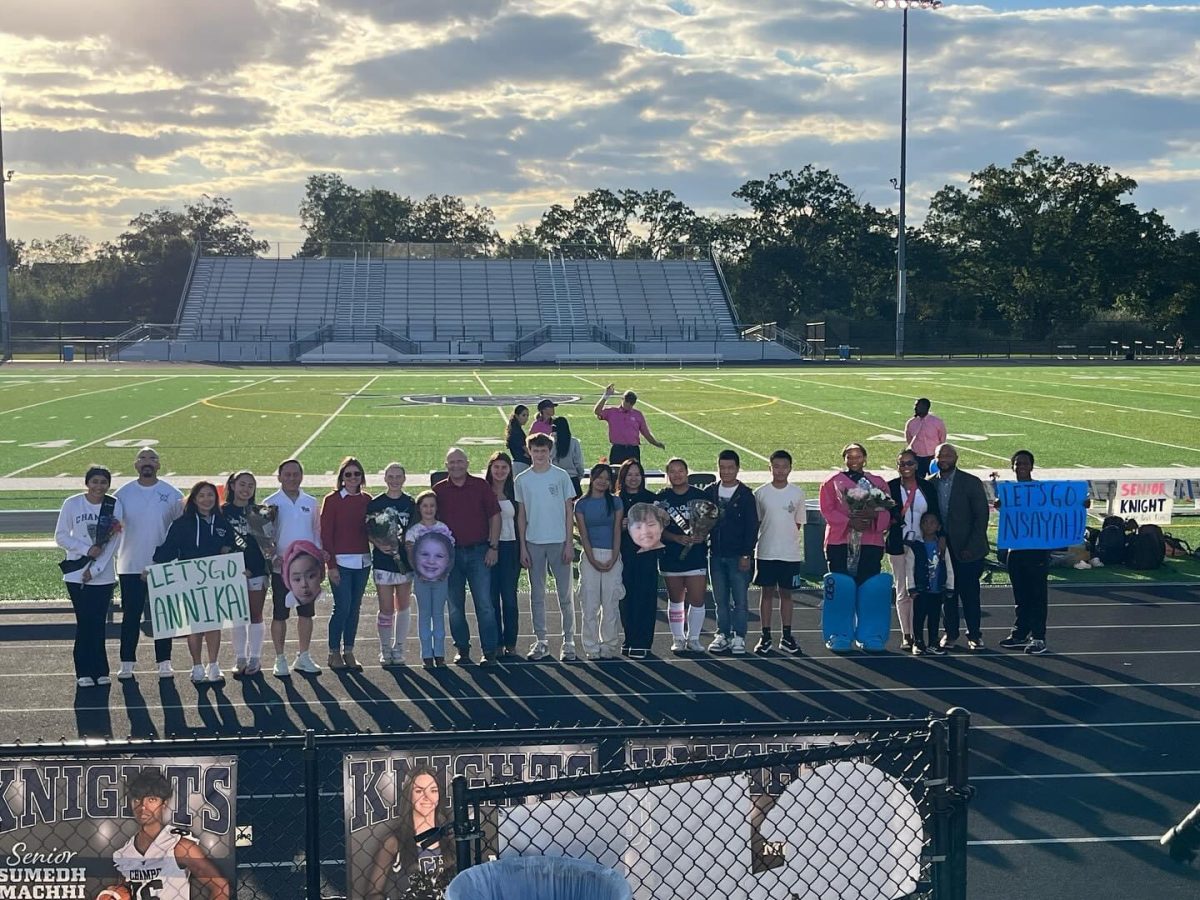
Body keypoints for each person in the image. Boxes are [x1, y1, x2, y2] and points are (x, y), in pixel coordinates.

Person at [153, 481, 236, 685]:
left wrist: (231, 551)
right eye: (202, 496)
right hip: (189, 579)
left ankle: (214, 664)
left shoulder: (223, 523)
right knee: (194, 626)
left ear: (216, 499)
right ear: (194, 499)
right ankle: (197, 665)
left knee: (215, 624)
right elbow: (169, 547)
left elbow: (235, 543)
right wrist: (154, 566)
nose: (206, 499)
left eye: (210, 495)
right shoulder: (182, 523)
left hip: (215, 580)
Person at [114, 446, 182, 680]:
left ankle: (164, 661)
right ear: (135, 465)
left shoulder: (172, 493)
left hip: (161, 566)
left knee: (163, 616)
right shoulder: (122, 494)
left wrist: (167, 558)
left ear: (159, 465)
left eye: (152, 459)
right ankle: (127, 662)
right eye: (143, 458)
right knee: (130, 616)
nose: (147, 462)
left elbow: (180, 528)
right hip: (130, 564)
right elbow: (112, 528)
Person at [109, 769, 230, 900]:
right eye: (137, 799)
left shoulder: (179, 846)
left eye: (151, 799)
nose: (143, 807)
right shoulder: (124, 853)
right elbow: (124, 891)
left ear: (164, 804)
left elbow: (221, 886)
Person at [55, 466, 124, 687]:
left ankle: (101, 669)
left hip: (103, 575)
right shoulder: (72, 503)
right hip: (76, 574)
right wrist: (86, 550)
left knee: (98, 623)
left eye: (103, 482)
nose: (98, 486)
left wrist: (95, 569)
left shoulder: (113, 504)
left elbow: (114, 542)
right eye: (94, 481)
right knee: (85, 622)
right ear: (87, 483)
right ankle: (83, 670)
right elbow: (61, 536)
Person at [433, 448, 501, 666]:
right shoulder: (439, 490)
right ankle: (462, 648)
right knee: (454, 606)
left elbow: (495, 516)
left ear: (467, 463)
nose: (456, 466)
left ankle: (489, 651)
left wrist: (493, 546)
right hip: (450, 557)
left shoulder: (480, 486)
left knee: (485, 604)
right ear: (446, 465)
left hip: (479, 552)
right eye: (452, 462)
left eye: (460, 461)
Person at [516, 433, 578, 662]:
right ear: (529, 451)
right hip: (533, 543)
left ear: (550, 451)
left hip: (559, 541)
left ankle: (569, 641)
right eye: (536, 450)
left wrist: (569, 543)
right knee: (537, 594)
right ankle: (541, 640)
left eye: (544, 451)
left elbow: (569, 511)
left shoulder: (561, 477)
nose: (540, 455)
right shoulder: (522, 480)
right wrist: (523, 547)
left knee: (565, 595)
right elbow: (521, 515)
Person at [264, 458, 324, 677]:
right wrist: (272, 557)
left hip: (306, 571)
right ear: (279, 477)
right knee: (280, 614)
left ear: (301, 476)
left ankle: (304, 655)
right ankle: (280, 658)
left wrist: (318, 557)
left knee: (306, 613)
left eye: (295, 474)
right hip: (282, 570)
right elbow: (264, 537)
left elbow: (317, 533)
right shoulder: (270, 502)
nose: (291, 478)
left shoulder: (310, 501)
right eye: (287, 474)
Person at [928, 442, 990, 651]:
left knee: (970, 594)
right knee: (948, 595)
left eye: (947, 455)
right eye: (939, 456)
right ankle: (951, 632)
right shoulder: (930, 483)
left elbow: (981, 517)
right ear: (935, 459)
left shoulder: (971, 482)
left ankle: (974, 634)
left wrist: (971, 546)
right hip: (942, 549)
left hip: (969, 549)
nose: (943, 459)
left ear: (956, 458)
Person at [366, 766, 455, 899]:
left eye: (433, 790)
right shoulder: (394, 842)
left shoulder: (452, 837)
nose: (427, 797)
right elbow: (372, 894)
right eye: (419, 791)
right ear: (409, 795)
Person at [997, 449, 1054, 655]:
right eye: (1017, 464)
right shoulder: (1009, 492)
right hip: (1015, 549)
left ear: (1032, 466)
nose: (1021, 467)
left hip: (1037, 549)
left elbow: (1059, 507)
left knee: (1037, 594)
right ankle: (1020, 633)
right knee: (1020, 595)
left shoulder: (1041, 490)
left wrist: (1078, 504)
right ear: (1012, 467)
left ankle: (1038, 637)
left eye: (1024, 463)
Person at [752, 450, 806, 656]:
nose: (780, 470)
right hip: (766, 551)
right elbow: (757, 521)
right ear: (770, 468)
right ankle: (765, 635)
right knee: (766, 594)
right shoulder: (761, 493)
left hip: (790, 553)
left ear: (790, 468)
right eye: (776, 466)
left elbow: (798, 522)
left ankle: (786, 635)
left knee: (786, 594)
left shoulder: (797, 493)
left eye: (784, 466)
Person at [321, 456, 373, 671]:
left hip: (363, 562)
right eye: (348, 474)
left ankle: (349, 650)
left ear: (362, 476)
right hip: (341, 563)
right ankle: (333, 651)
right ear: (342, 478)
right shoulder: (332, 500)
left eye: (356, 474)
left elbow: (373, 530)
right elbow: (326, 534)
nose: (353, 478)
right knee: (342, 607)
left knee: (355, 608)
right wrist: (331, 565)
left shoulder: (367, 500)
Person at [704, 450, 758, 655]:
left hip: (738, 556)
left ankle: (739, 636)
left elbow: (752, 527)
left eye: (730, 468)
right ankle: (722, 634)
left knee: (740, 600)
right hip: (715, 554)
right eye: (722, 467)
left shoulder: (745, 495)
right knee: (720, 599)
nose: (726, 471)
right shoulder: (710, 491)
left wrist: (746, 554)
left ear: (737, 468)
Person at [886, 449, 940, 652]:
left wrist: (937, 538)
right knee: (902, 590)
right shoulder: (890, 487)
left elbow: (935, 513)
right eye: (902, 464)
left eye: (909, 463)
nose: (905, 467)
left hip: (923, 546)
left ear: (917, 465)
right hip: (899, 546)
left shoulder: (927, 487)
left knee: (924, 590)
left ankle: (923, 635)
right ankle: (906, 634)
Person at [656, 458, 708, 653]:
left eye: (680, 471)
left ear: (687, 472)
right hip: (671, 556)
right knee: (676, 599)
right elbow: (656, 529)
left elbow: (709, 522)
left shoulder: (699, 496)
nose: (677, 475)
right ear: (668, 475)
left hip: (696, 556)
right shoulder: (662, 498)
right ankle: (678, 638)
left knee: (697, 599)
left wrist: (701, 535)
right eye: (672, 471)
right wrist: (675, 538)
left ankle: (694, 638)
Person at [366, 463, 416, 666]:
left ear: (404, 479)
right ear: (385, 478)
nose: (394, 480)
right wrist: (379, 543)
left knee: (403, 605)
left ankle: (399, 647)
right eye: (391, 476)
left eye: (398, 476)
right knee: (386, 607)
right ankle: (385, 648)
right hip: (383, 561)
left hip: (405, 562)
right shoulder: (375, 503)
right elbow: (367, 529)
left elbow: (415, 529)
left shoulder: (411, 503)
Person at [820, 443, 891, 583]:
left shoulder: (877, 482)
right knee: (842, 586)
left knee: (867, 586)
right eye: (849, 457)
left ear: (864, 458)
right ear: (844, 459)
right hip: (840, 541)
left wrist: (873, 514)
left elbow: (887, 511)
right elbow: (827, 510)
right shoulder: (832, 481)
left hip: (870, 541)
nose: (854, 460)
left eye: (858, 457)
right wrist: (850, 522)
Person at [221, 470, 269, 676]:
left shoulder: (259, 512)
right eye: (242, 484)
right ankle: (240, 657)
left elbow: (267, 541)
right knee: (238, 615)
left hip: (258, 569)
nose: (246, 489)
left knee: (255, 614)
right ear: (232, 485)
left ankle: (255, 658)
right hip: (234, 570)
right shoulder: (222, 511)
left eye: (251, 485)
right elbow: (219, 543)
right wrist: (237, 565)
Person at [575, 463, 625, 660]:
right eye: (599, 477)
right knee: (589, 604)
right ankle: (591, 646)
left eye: (607, 478)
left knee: (611, 603)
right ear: (592, 478)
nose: (603, 482)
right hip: (590, 557)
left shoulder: (616, 502)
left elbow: (616, 532)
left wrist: (613, 557)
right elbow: (583, 535)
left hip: (612, 555)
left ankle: (609, 645)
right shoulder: (581, 504)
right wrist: (592, 559)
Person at [406, 491, 455, 669]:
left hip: (441, 579)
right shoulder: (414, 531)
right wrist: (420, 572)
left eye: (432, 505)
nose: (428, 509)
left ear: (436, 508)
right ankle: (426, 653)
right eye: (425, 506)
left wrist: (444, 572)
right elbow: (411, 554)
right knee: (425, 614)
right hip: (421, 580)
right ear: (419, 508)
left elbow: (449, 554)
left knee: (439, 614)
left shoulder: (443, 528)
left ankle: (440, 653)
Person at [616, 458, 659, 658]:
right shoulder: (616, 500)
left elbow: (660, 528)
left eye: (637, 474)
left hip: (646, 556)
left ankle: (643, 641)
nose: (633, 479)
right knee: (625, 599)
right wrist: (620, 526)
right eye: (629, 474)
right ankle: (630, 638)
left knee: (645, 598)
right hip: (623, 556)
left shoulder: (651, 499)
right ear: (623, 478)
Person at [485, 452, 521, 658]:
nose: (500, 471)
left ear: (509, 470)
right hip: (490, 548)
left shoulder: (515, 492)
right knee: (490, 598)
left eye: (504, 467)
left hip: (511, 548)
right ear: (490, 469)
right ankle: (496, 641)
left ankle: (511, 642)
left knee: (509, 597)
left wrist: (523, 549)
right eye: (496, 467)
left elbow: (521, 523)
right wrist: (491, 546)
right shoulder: (483, 491)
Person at [593, 384, 665, 465]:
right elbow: (597, 411)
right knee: (616, 474)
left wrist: (656, 443)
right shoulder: (612, 412)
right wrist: (606, 396)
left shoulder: (637, 415)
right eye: (627, 401)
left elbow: (646, 433)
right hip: (618, 449)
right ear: (622, 399)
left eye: (632, 402)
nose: (629, 404)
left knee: (633, 474)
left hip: (633, 450)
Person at [910, 511, 949, 657]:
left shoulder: (942, 545)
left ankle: (933, 642)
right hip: (921, 589)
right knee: (919, 617)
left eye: (932, 522)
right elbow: (910, 568)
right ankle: (918, 642)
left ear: (938, 526)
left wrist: (949, 585)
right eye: (925, 522)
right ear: (920, 525)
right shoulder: (916, 546)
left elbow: (948, 565)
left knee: (934, 617)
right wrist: (911, 587)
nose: (928, 525)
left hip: (937, 589)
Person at [904, 399, 947, 479]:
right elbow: (908, 439)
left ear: (925, 407)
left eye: (917, 406)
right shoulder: (911, 422)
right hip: (917, 457)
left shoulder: (937, 422)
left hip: (933, 457)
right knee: (918, 480)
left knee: (936, 479)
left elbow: (942, 439)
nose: (915, 408)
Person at [553, 415, 586, 497]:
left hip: (556, 478)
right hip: (572, 478)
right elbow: (578, 462)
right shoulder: (574, 442)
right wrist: (580, 475)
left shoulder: (551, 443)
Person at [504, 405, 532, 474]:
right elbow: (525, 448)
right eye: (523, 415)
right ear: (516, 416)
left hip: (520, 463)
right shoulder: (516, 431)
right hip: (521, 464)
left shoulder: (516, 429)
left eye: (527, 415)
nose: (526, 418)